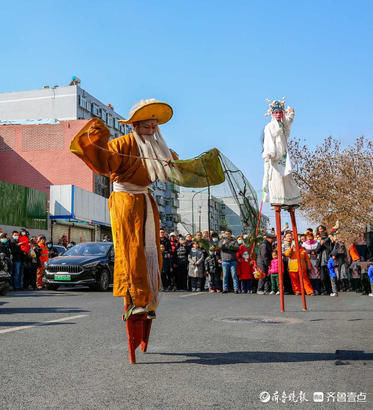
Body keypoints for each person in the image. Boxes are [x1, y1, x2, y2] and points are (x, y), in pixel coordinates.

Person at [262, 99, 300, 206]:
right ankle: (277, 199)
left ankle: (290, 199)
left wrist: (291, 114)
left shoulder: (283, 125)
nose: (278, 114)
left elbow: (288, 121)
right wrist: (269, 153)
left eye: (280, 112)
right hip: (275, 156)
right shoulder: (269, 127)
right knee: (276, 178)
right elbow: (268, 140)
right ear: (272, 114)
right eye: (276, 112)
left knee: (287, 176)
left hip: (283, 155)